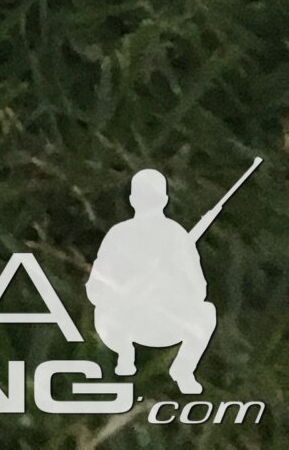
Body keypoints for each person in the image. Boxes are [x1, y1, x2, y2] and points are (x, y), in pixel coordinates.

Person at [88, 169, 220, 394]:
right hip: (130, 322)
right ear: (165, 199)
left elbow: (198, 290)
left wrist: (170, 277)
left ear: (132, 200)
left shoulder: (173, 236)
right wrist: (129, 290)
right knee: (206, 313)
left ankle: (180, 370)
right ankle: (127, 354)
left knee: (206, 312)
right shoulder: (123, 235)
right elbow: (96, 288)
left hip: (157, 322)